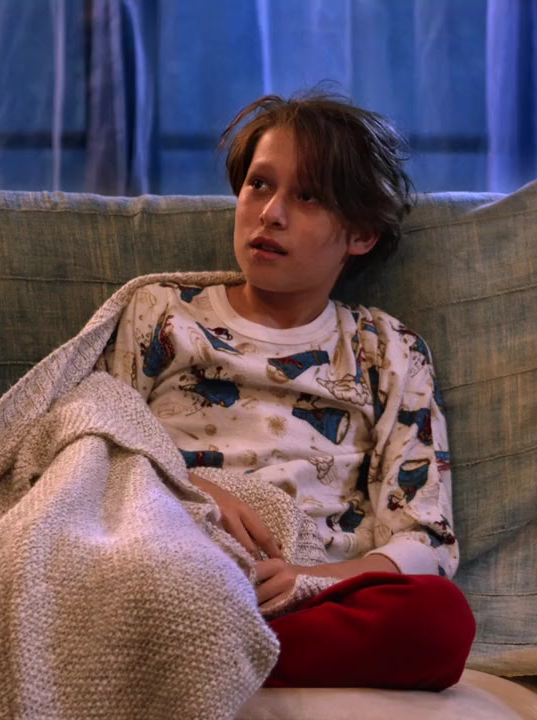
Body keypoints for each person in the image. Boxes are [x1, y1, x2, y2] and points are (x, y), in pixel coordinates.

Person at [106, 89, 474, 689]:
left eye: (308, 197)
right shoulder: (162, 313)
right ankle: (198, 638)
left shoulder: (388, 349)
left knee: (441, 620)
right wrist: (191, 488)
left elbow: (423, 535)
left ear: (361, 234)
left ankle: (196, 650)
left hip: (305, 591)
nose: (271, 214)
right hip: (175, 547)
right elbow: (97, 439)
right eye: (259, 185)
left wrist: (308, 579)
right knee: (96, 565)